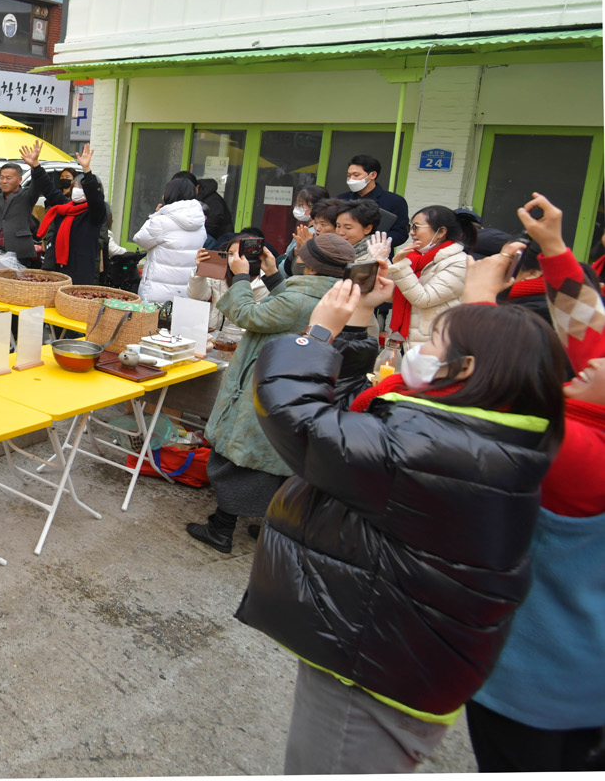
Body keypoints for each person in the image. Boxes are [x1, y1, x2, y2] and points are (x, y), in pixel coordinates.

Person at [243, 277, 564, 773]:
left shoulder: (433, 450)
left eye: (433, 341)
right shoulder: (491, 436)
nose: (419, 350)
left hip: (376, 662)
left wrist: (315, 337)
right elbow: (351, 414)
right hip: (401, 648)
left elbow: (302, 420)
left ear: (466, 367)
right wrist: (355, 326)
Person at [459, 194, 605, 770]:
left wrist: (477, 299)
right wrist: (555, 250)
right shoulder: (590, 422)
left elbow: (490, 393)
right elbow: (590, 335)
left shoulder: (579, 453)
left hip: (537, 690)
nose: (591, 354)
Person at [187, 232, 359, 554]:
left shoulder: (299, 299)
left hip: (264, 378)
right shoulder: (331, 296)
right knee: (274, 455)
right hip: (292, 384)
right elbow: (290, 308)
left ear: (309, 266)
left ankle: (221, 529)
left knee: (240, 456)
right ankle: (273, 528)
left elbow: (248, 315)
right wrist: (273, 274)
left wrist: (240, 277)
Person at [385, 205, 473, 347]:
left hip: (435, 344)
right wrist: (383, 260)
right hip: (405, 341)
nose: (411, 233)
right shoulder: (415, 257)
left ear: (441, 232)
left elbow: (423, 299)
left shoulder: (460, 262)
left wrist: (401, 266)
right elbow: (393, 296)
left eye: (416, 227)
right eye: (410, 227)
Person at [38, 144, 106, 285]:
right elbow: (49, 190)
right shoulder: (66, 207)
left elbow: (95, 198)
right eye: (74, 186)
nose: (76, 189)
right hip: (58, 269)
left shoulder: (94, 213)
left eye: (81, 187)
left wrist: (87, 170)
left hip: (81, 272)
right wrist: (36, 165)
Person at [132, 177, 207, 305]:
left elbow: (140, 239)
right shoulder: (199, 223)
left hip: (158, 291)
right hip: (187, 290)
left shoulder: (161, 221)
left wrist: (155, 215)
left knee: (154, 317)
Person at [345, 154, 409, 248]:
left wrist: (374, 241)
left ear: (373, 175)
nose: (351, 179)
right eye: (349, 175)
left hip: (378, 252)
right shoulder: (342, 199)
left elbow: (401, 233)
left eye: (356, 175)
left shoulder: (395, 201)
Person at [195, 176, 233, 244]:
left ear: (197, 187)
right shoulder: (204, 197)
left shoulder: (213, 200)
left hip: (220, 241)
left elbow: (212, 225)